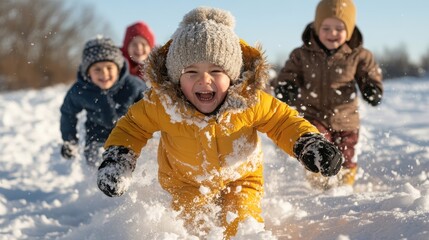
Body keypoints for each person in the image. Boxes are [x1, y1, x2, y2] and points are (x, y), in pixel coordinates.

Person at [96, 7, 343, 239]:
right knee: (191, 228)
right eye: (190, 72)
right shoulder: (162, 104)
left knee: (241, 225)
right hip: (185, 181)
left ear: (233, 75)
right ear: (175, 78)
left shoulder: (250, 101)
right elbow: (133, 127)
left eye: (216, 71)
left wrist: (308, 143)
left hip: (241, 179)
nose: (204, 81)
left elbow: (282, 121)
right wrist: (119, 159)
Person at [272, 0, 383, 189]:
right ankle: (318, 184)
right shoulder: (302, 54)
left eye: (339, 28)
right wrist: (286, 87)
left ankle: (344, 185)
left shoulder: (359, 55)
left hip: (346, 117)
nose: (332, 34)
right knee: (318, 148)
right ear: (316, 27)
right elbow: (288, 74)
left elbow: (369, 75)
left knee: (347, 153)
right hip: (313, 113)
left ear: (349, 30)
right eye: (326, 28)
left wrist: (371, 88)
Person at [60, 36, 147, 167]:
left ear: (118, 68)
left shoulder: (132, 86)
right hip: (96, 137)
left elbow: (150, 108)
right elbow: (68, 112)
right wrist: (70, 140)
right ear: (88, 72)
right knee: (97, 166)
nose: (104, 74)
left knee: (124, 166)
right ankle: (94, 183)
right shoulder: (82, 89)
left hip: (128, 136)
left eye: (109, 68)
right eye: (97, 69)